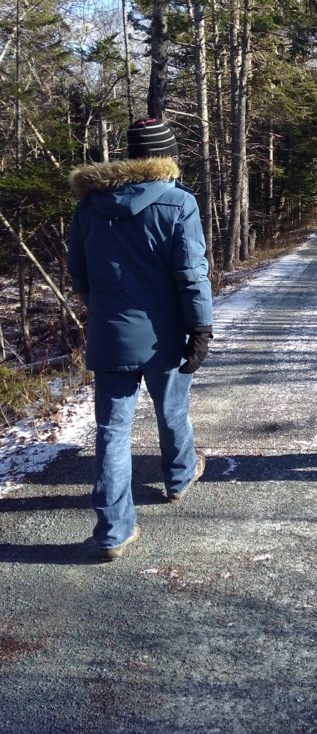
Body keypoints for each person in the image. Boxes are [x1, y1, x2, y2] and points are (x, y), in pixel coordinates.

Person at [68, 117, 213, 559]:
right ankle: (179, 476)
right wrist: (200, 327)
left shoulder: (89, 206)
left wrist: (108, 310)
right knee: (172, 409)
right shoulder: (177, 203)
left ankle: (113, 531)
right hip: (163, 336)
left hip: (110, 335)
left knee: (112, 431)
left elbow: (80, 274)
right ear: (166, 156)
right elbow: (191, 274)